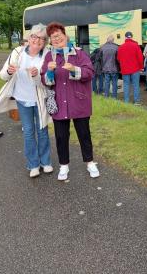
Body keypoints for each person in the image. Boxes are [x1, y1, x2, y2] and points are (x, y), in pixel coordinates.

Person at [0, 24, 52, 178]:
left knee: (42, 130)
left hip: (40, 99)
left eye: (42, 38)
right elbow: (3, 76)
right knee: (29, 132)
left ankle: (46, 162)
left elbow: (49, 81)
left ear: (45, 42)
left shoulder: (47, 55)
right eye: (34, 36)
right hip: (22, 99)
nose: (37, 40)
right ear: (29, 38)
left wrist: (37, 75)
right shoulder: (17, 52)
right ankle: (33, 165)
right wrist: (9, 71)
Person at [41, 22, 99, 181]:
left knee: (84, 134)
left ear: (66, 36)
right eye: (53, 37)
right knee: (61, 136)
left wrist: (74, 69)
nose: (56, 38)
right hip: (60, 103)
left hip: (79, 101)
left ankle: (90, 162)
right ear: (51, 41)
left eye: (58, 35)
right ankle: (64, 165)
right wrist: (50, 71)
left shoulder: (79, 54)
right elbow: (45, 80)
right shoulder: (49, 56)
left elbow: (89, 73)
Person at [117, 31, 144, 105]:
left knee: (126, 84)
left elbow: (118, 58)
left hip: (125, 69)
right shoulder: (136, 45)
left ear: (125, 37)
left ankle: (126, 101)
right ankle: (136, 101)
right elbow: (140, 58)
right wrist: (141, 67)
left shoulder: (121, 47)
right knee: (135, 85)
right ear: (132, 37)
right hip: (135, 69)